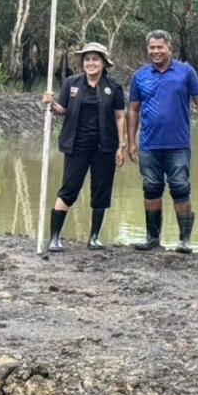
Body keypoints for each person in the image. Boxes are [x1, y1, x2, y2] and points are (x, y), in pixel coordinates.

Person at [127, 29, 198, 252]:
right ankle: (153, 239)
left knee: (181, 188)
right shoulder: (139, 76)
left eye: (159, 47)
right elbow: (133, 110)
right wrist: (131, 142)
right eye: (151, 48)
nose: (155, 51)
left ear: (169, 48)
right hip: (149, 145)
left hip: (178, 145)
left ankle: (185, 240)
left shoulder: (185, 72)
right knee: (151, 188)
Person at [41, 43, 127, 252]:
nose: (90, 63)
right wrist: (51, 104)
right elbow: (62, 110)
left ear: (104, 63)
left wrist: (121, 145)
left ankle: (95, 237)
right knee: (69, 189)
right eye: (87, 59)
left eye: (95, 59)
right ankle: (54, 238)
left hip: (105, 147)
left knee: (101, 191)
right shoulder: (72, 84)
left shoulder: (113, 88)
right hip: (76, 146)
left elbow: (119, 116)